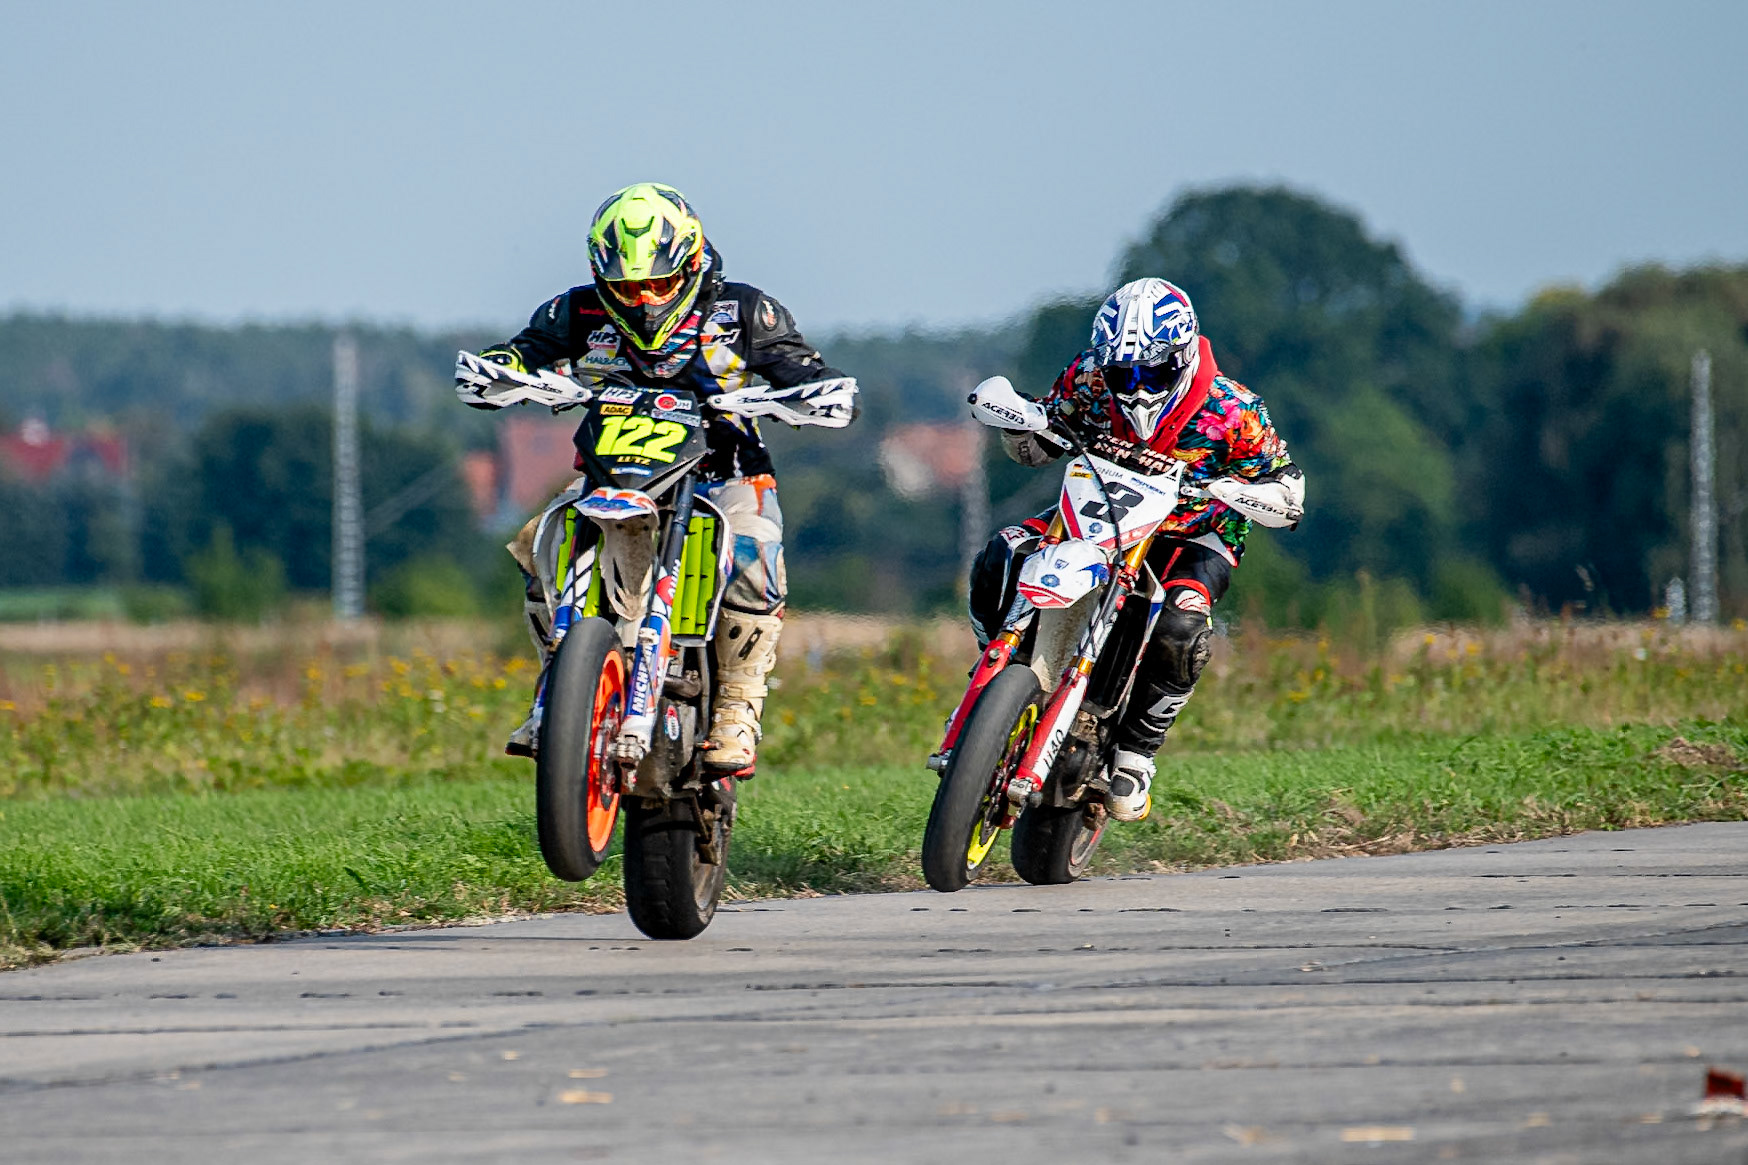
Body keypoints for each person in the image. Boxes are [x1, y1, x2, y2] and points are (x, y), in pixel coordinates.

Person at [458, 182, 853, 773]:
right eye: (625, 287)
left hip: (726, 473)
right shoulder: (576, 310)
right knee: (541, 542)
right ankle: (559, 691)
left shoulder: (745, 311)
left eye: (657, 283)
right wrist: (497, 373)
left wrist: (813, 394)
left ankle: (737, 709)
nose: (642, 299)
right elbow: (522, 353)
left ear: (692, 262)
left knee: (754, 551)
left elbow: (805, 369)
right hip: (611, 476)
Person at [969, 278, 1304, 821]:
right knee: (1003, 554)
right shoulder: (1089, 376)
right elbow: (1045, 439)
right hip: (1095, 514)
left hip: (1192, 533)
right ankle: (995, 676)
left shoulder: (1235, 410)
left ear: (1183, 355)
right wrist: (1021, 425)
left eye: (1153, 371)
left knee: (1181, 627)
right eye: (1126, 373)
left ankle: (1136, 753)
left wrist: (1245, 494)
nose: (1138, 386)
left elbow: (1287, 488)